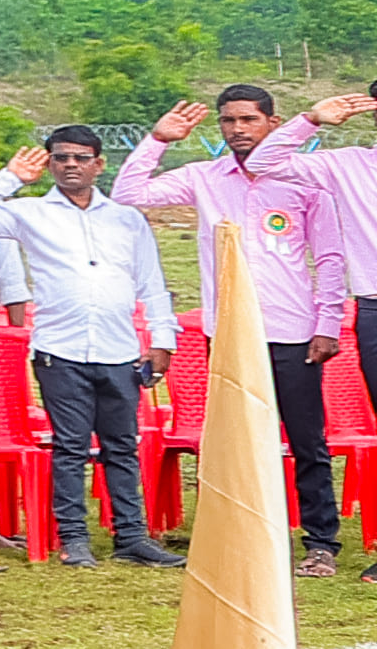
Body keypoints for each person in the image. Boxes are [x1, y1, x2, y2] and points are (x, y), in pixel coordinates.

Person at [124, 87, 377, 575]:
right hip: (229, 332)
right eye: (229, 121)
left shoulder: (304, 180)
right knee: (235, 440)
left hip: (293, 329)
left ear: (272, 122)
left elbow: (329, 258)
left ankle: (320, 542)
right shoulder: (204, 177)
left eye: (248, 119)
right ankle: (243, 536)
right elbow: (131, 194)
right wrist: (158, 140)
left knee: (307, 440)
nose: (238, 129)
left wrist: (326, 323)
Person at [0, 127, 177, 567]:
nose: (71, 165)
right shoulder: (30, 212)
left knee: (121, 446)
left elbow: (152, 283)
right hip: (60, 350)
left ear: (98, 164)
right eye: (61, 157)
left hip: (119, 350)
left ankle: (131, 537)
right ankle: (74, 538)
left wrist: (162, 339)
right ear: (49, 163)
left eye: (81, 157)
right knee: (70, 447)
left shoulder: (127, 219)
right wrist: (11, 178)